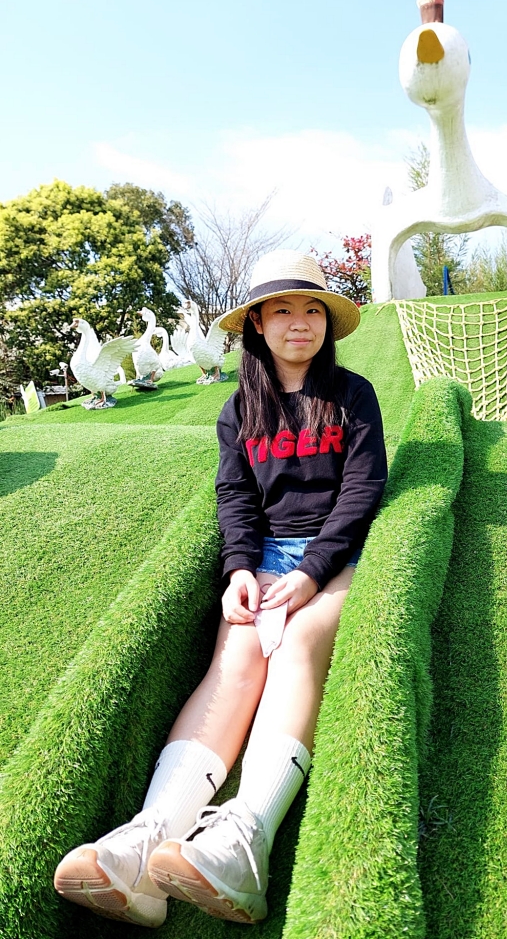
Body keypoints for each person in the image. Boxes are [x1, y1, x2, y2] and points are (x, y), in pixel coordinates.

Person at [53, 251, 387, 927]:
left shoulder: (352, 396)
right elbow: (234, 495)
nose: (300, 323)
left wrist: (311, 570)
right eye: (284, 310)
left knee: (295, 651)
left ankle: (245, 839)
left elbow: (363, 490)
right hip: (262, 561)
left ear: (328, 322)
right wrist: (240, 570)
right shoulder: (240, 410)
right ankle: (145, 843)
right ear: (257, 325)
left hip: (335, 559)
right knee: (231, 669)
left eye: (313, 309)